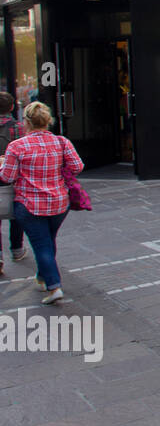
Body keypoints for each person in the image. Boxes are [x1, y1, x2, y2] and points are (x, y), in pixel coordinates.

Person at [0, 101, 83, 304]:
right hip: (58, 202)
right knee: (47, 241)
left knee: (42, 245)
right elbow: (77, 166)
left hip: (29, 204)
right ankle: (42, 277)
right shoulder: (62, 142)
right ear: (48, 121)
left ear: (26, 121)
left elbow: (7, 177)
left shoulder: (17, 146)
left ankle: (54, 287)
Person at [0, 92, 26, 273]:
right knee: (16, 211)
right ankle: (17, 249)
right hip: (15, 174)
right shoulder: (19, 127)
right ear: (11, 107)